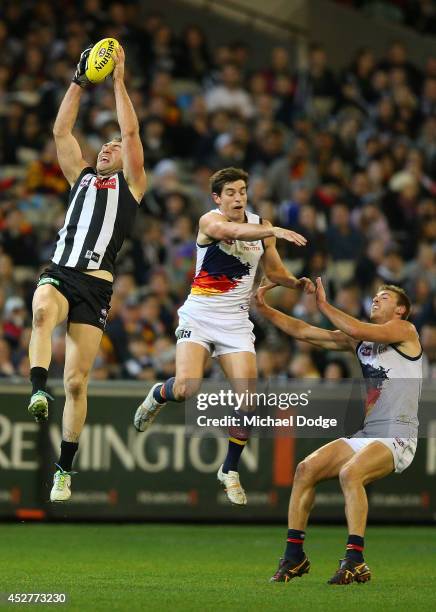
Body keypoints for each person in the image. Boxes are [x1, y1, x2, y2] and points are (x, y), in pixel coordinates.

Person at [134, 167, 315, 505]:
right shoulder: (210, 221)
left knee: (249, 399)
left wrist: (296, 282)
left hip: (234, 321)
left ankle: (229, 470)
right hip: (200, 315)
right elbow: (229, 230)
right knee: (187, 388)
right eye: (230, 192)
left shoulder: (261, 227)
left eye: (242, 191)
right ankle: (159, 394)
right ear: (217, 198)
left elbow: (273, 270)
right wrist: (270, 228)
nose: (238, 197)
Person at [27, 45, 146, 503]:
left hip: (95, 288)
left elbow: (131, 130)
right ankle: (38, 391)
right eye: (104, 144)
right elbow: (61, 129)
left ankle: (64, 468)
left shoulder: (132, 186)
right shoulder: (78, 176)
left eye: (113, 146)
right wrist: (79, 82)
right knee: (40, 314)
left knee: (76, 381)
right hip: (61, 271)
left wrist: (117, 80)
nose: (108, 147)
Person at [255, 279, 422, 584]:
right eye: (374, 296)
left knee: (350, 473)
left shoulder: (405, 331)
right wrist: (265, 309)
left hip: (398, 434)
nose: (376, 299)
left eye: (383, 297)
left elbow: (357, 329)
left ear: (400, 310)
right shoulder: (361, 342)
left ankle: (355, 559)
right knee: (306, 468)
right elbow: (304, 332)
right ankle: (294, 556)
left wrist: (323, 305)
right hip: (368, 433)